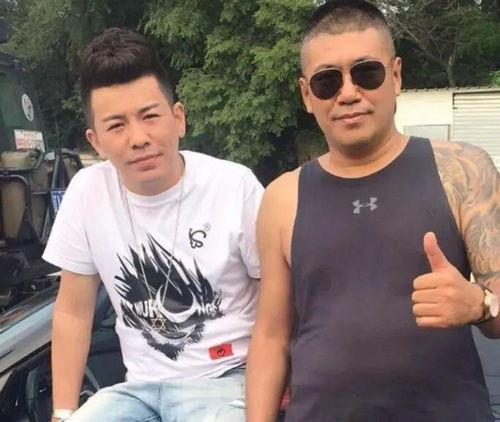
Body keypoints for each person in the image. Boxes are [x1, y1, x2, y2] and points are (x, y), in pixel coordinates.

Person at [246, 1, 500, 421]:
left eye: (366, 73)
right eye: (327, 81)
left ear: (396, 76)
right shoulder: (282, 198)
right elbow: (271, 337)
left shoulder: (462, 171)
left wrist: (478, 304)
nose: (348, 93)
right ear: (307, 95)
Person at [43, 27, 263, 422]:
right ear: (96, 141)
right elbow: (74, 311)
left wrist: (282, 378)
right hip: (139, 390)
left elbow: (279, 296)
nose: (139, 138)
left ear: (178, 118)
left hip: (229, 379)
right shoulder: (87, 192)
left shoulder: (233, 186)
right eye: (116, 125)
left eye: (150, 116)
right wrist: (63, 412)